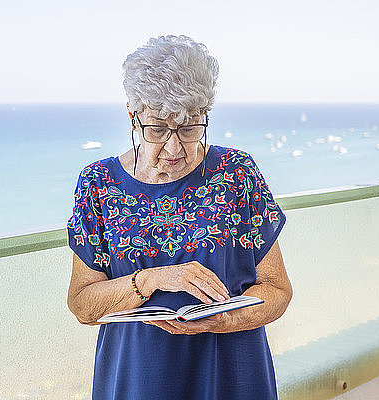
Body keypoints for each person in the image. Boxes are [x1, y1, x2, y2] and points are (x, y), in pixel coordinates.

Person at [66, 35, 292, 400]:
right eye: (157, 129)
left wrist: (226, 320)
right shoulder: (98, 184)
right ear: (131, 113)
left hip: (231, 378)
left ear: (206, 115)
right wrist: (154, 279)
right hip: (138, 381)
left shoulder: (237, 174)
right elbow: (82, 305)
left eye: (189, 128)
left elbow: (278, 291)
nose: (174, 148)